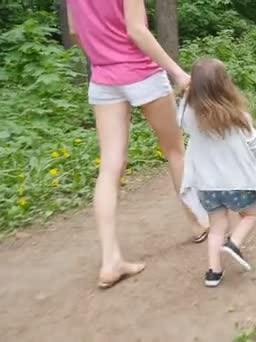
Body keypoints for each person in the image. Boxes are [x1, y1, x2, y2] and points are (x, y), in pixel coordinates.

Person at [66, 0, 207, 289]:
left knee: (110, 166)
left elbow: (75, 32)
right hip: (141, 73)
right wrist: (178, 73)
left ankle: (110, 260)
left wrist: (104, 59)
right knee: (174, 150)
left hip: (103, 78)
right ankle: (197, 223)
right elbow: (137, 31)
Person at [178, 58, 256, 288]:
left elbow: (180, 115)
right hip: (237, 184)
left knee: (216, 227)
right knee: (249, 216)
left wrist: (185, 94)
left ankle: (213, 272)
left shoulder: (189, 118)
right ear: (226, 85)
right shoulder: (239, 116)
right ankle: (234, 243)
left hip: (207, 187)